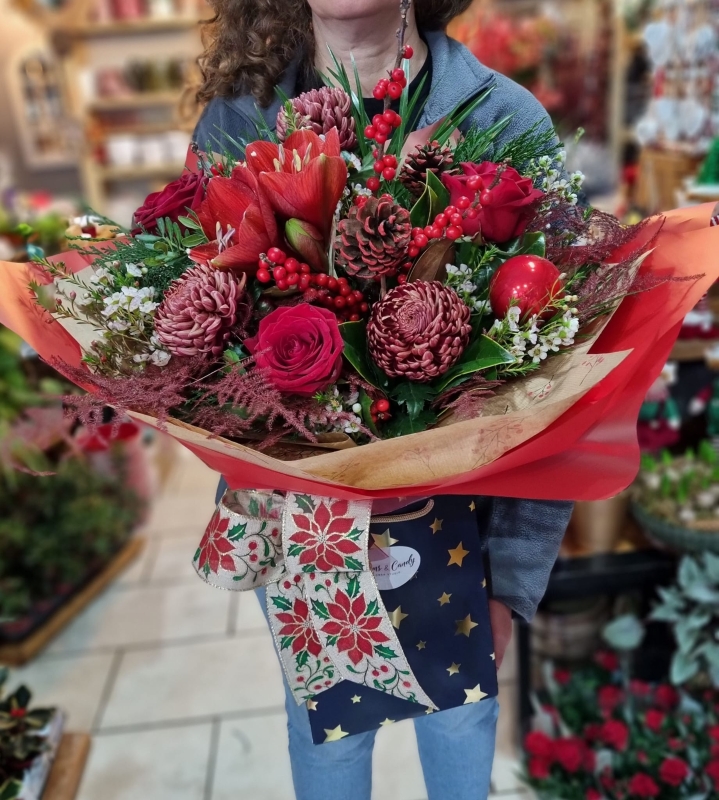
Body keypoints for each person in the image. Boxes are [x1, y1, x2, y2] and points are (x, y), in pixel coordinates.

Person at [192, 2, 573, 798]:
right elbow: (197, 347)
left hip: (464, 537)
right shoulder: (235, 121)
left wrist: (510, 582)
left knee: (461, 722)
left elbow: (563, 378)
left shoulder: (502, 118)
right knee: (329, 737)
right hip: (303, 530)